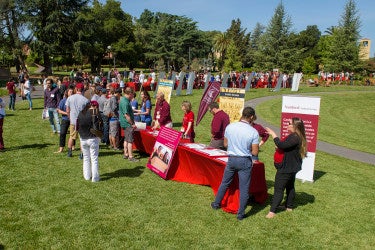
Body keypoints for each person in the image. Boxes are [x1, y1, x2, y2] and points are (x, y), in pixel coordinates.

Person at [211, 107, 259, 220]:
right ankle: (240, 213)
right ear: (251, 117)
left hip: (232, 159)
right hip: (244, 160)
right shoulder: (253, 132)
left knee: (224, 183)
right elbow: (255, 151)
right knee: (244, 188)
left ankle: (216, 203)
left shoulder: (230, 127)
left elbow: (226, 144)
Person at [265, 117, 307, 219]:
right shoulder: (296, 137)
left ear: (295, 126)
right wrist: (280, 148)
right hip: (293, 167)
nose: (287, 125)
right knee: (290, 186)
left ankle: (272, 211)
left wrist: (273, 134)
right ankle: (289, 206)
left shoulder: (294, 137)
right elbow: (286, 147)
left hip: (287, 168)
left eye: (289, 123)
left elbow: (281, 144)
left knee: (279, 189)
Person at [77, 101, 101, 182]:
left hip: (83, 138)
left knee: (86, 158)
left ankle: (87, 176)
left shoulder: (80, 113)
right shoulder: (94, 114)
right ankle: (95, 178)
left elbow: (77, 126)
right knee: (94, 159)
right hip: (92, 138)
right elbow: (97, 127)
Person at [65, 83, 89, 157]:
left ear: (76, 89)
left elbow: (67, 110)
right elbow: (87, 112)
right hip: (82, 121)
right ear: (82, 90)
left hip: (73, 121)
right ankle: (82, 154)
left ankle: (69, 152)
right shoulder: (85, 100)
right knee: (82, 138)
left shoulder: (70, 98)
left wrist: (70, 117)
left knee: (71, 137)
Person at [119, 87, 139, 162]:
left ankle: (126, 154)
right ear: (129, 94)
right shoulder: (125, 102)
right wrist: (132, 124)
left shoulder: (124, 100)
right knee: (130, 140)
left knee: (126, 139)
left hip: (125, 123)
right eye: (132, 94)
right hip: (127, 124)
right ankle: (130, 156)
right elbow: (126, 115)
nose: (133, 96)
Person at [56, 87, 74, 153]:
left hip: (73, 119)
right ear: (67, 93)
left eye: (72, 92)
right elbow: (58, 110)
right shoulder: (63, 101)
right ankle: (61, 148)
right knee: (62, 133)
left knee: (73, 134)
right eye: (70, 92)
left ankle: (73, 146)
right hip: (65, 119)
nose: (71, 93)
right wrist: (67, 113)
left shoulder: (74, 100)